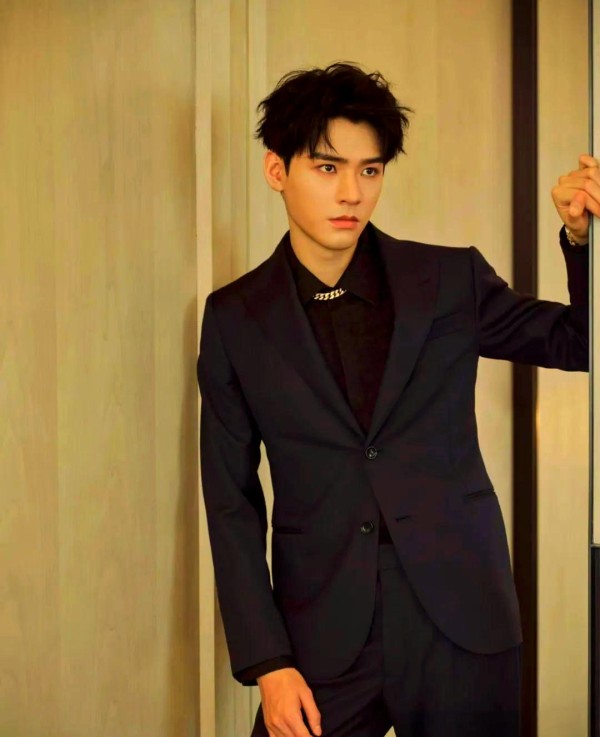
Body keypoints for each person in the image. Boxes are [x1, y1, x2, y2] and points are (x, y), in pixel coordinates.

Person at [197, 61, 592, 737]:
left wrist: (583, 241)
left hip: (461, 620)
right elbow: (231, 499)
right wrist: (268, 661)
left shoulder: (447, 279)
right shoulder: (236, 317)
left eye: (370, 170)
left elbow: (580, 342)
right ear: (276, 170)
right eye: (327, 168)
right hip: (320, 636)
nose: (351, 192)